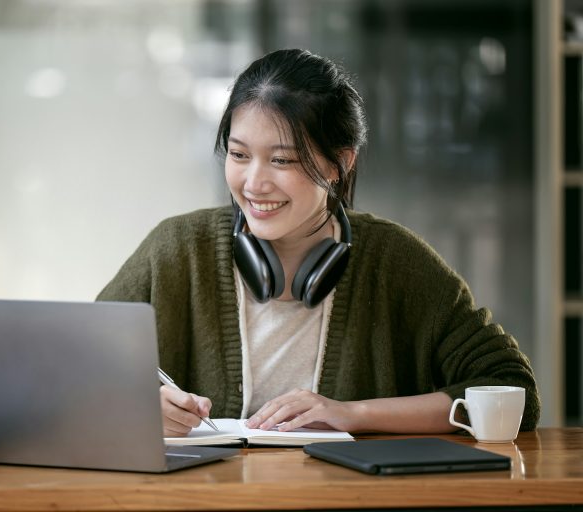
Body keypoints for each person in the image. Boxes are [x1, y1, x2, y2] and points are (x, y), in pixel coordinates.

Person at [97, 49, 540, 436]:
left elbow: (513, 391)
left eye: (281, 159)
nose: (254, 183)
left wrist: (353, 414)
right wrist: (135, 408)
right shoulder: (176, 250)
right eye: (238, 154)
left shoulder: (396, 262)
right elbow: (66, 377)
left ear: (339, 164)